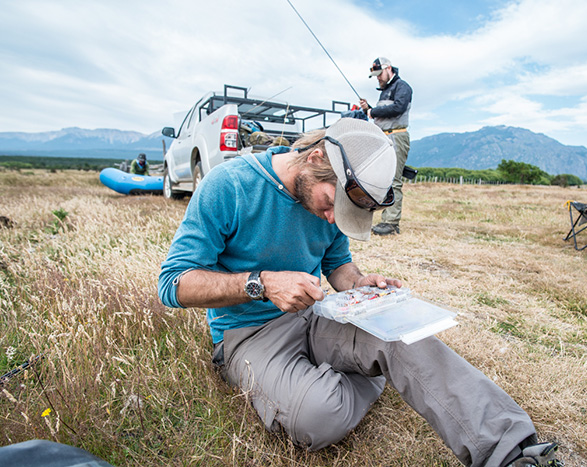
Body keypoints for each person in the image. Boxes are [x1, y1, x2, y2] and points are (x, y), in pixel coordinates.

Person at [158, 118, 562, 467]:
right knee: (319, 417)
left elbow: (338, 265)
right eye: (332, 205)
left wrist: (359, 284)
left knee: (402, 336)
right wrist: (261, 283)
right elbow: (173, 283)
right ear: (316, 158)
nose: (333, 219)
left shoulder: (329, 202)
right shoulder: (228, 185)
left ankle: (510, 450)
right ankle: (373, 372)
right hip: (248, 336)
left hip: (316, 315)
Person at [359, 57, 412, 236]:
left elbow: (398, 108)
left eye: (379, 74)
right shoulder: (385, 91)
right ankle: (385, 218)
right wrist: (370, 108)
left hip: (397, 136)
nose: (378, 78)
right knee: (383, 179)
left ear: (388, 68)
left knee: (394, 180)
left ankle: (391, 223)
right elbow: (385, 115)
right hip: (384, 138)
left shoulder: (403, 87)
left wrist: (372, 112)